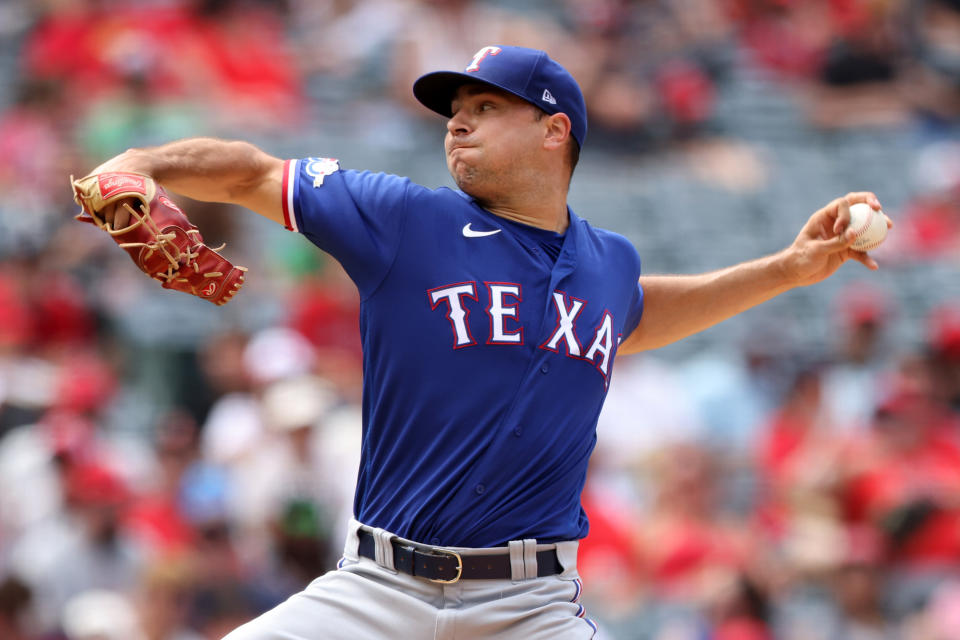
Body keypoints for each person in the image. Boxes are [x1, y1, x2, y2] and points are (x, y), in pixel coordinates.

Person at [83, 45, 890, 640]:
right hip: (377, 590)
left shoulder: (608, 266)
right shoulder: (406, 219)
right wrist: (143, 161)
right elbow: (251, 171)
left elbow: (636, 316)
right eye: (454, 110)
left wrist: (789, 269)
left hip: (530, 609)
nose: (458, 121)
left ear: (554, 131)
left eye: (487, 107)